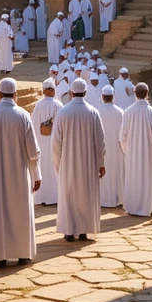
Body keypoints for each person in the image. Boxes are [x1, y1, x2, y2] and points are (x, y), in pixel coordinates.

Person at [0, 77, 41, 267]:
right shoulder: (23, 115)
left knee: (0, 212)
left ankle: (1, 255)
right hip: (20, 174)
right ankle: (22, 253)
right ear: (15, 94)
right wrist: (36, 175)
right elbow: (33, 151)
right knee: (20, 212)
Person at [52, 77, 106, 241]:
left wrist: (58, 163)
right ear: (85, 92)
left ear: (71, 92)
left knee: (69, 197)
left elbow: (56, 142)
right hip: (88, 164)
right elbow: (100, 141)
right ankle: (83, 230)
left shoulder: (63, 113)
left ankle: (69, 231)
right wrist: (101, 163)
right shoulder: (93, 112)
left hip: (68, 163)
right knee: (85, 196)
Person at [119, 83, 152, 217]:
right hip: (150, 156)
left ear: (135, 93)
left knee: (134, 180)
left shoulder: (128, 112)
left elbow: (122, 137)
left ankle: (133, 207)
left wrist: (129, 152)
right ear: (147, 94)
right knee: (149, 180)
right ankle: (149, 207)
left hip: (133, 156)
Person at [32, 79, 62, 206]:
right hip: (54, 143)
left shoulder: (38, 106)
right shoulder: (58, 105)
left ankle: (42, 196)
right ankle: (54, 197)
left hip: (41, 142)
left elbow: (34, 125)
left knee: (43, 166)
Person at [98, 85, 124, 207]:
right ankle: (117, 198)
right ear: (112, 97)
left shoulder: (97, 111)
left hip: (101, 148)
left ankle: (103, 199)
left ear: (103, 97)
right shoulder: (120, 112)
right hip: (117, 148)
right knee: (116, 172)